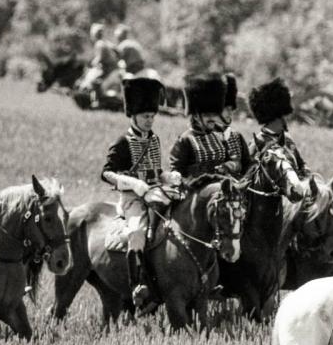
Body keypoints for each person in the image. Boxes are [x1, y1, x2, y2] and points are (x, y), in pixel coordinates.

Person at [103, 74, 182, 310]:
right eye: (146, 116)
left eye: (152, 116)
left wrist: (169, 177)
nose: (150, 120)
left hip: (155, 192)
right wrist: (133, 184)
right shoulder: (123, 141)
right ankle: (137, 284)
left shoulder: (154, 139)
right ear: (134, 115)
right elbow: (106, 173)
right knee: (137, 232)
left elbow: (156, 171)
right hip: (132, 198)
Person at [170, 72, 250, 183]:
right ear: (196, 116)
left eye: (215, 114)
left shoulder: (219, 137)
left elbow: (236, 163)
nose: (212, 119)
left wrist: (229, 166)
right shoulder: (185, 140)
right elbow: (176, 171)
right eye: (208, 115)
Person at [248, 77, 309, 174]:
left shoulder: (287, 140)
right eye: (283, 116)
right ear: (278, 117)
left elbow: (301, 165)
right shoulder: (258, 142)